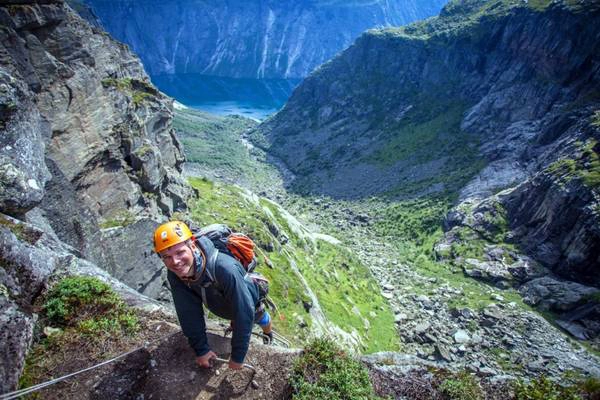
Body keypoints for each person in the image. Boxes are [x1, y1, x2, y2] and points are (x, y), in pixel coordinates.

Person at [153, 220, 272, 370]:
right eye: (166, 257)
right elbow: (187, 312)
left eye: (180, 252)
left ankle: (269, 334)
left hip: (247, 298)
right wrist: (201, 350)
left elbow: (245, 312)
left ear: (192, 245)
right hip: (220, 301)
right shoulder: (176, 274)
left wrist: (237, 356)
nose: (175, 261)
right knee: (239, 317)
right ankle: (240, 323)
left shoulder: (225, 268)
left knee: (260, 317)